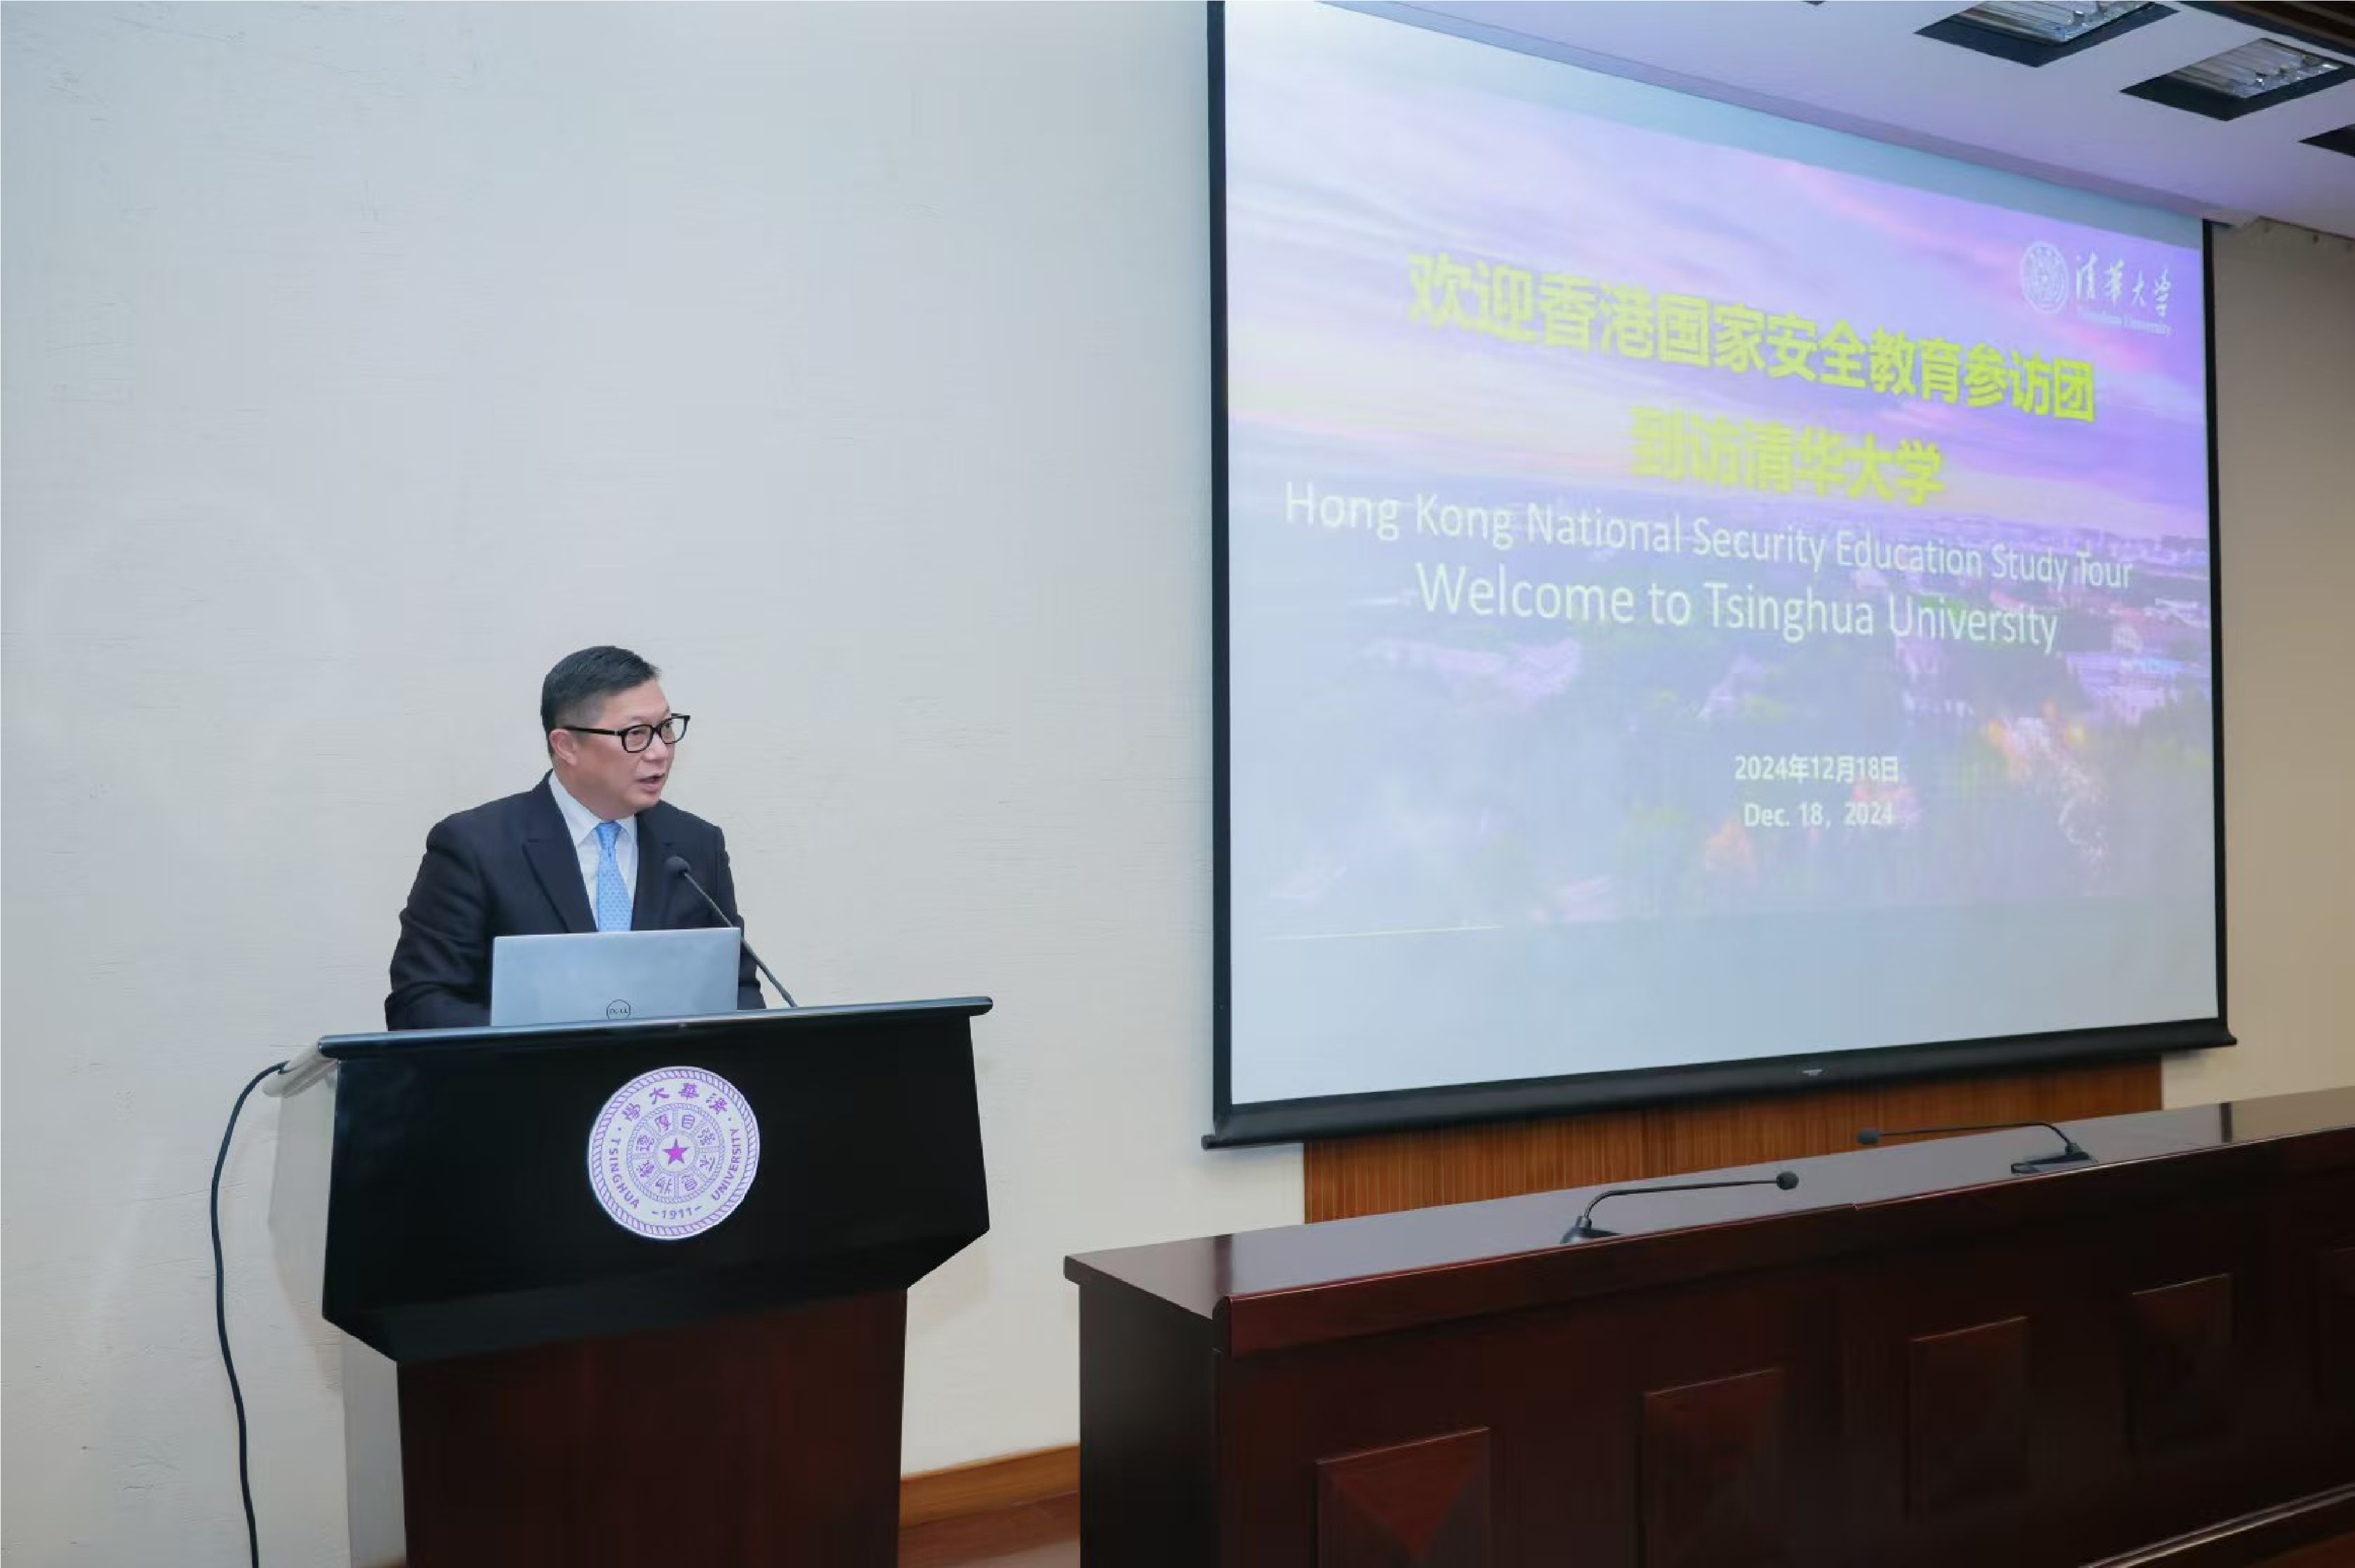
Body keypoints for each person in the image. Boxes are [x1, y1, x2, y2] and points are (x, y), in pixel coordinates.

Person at [384, 646, 761, 1030]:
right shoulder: (475, 847)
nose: (661, 751)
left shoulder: (695, 845)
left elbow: (737, 991)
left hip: (658, 1085)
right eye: (636, 734)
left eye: (666, 728)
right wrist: (547, 1042)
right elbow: (421, 1005)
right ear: (567, 746)